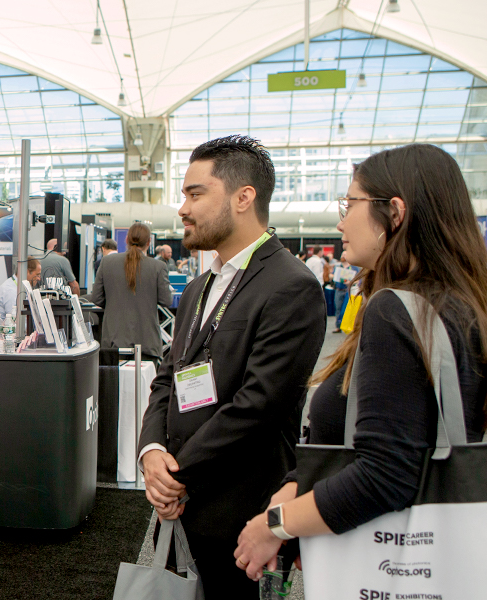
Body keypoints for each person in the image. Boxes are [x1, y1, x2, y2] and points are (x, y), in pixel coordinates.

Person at [233, 143, 487, 583]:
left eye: (351, 203)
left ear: (394, 213)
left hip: (390, 563)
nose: (342, 220)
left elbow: (385, 475)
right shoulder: (463, 305)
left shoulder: (396, 310)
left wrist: (275, 524)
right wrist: (294, 489)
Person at [137, 135, 326, 598]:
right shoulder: (201, 285)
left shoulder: (291, 286)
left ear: (244, 198)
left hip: (241, 518)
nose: (182, 207)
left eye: (195, 193)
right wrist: (151, 453)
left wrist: (177, 476)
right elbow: (169, 376)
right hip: (182, 508)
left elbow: (258, 406)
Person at [85, 222, 172, 363]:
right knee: (144, 384)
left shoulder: (107, 262)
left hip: (114, 341)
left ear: (126, 240)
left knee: (114, 384)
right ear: (149, 242)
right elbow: (166, 300)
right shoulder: (158, 267)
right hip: (146, 343)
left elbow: (96, 298)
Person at [331, 258, 354, 333]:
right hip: (338, 290)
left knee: (346, 309)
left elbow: (358, 279)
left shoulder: (353, 267)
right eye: (342, 255)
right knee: (338, 308)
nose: (343, 256)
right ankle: (338, 326)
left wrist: (351, 282)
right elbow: (331, 275)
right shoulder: (338, 267)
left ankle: (347, 325)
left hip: (347, 290)